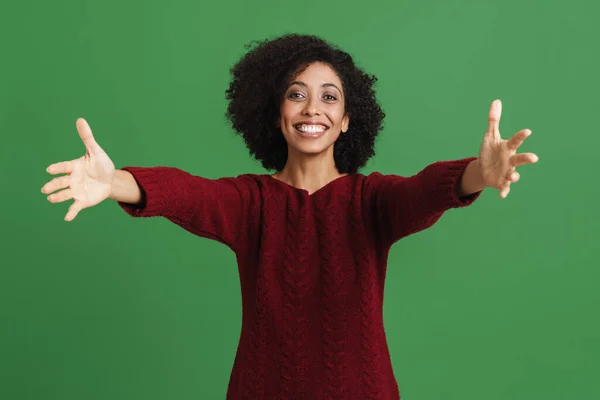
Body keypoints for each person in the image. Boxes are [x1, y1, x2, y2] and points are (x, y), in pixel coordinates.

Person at [41, 33, 538, 399]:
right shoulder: (250, 203)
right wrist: (115, 183)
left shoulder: (371, 201)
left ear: (346, 121)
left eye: (329, 97)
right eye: (296, 94)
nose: (311, 108)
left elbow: (423, 193)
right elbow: (190, 194)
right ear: (277, 113)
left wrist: (476, 172)